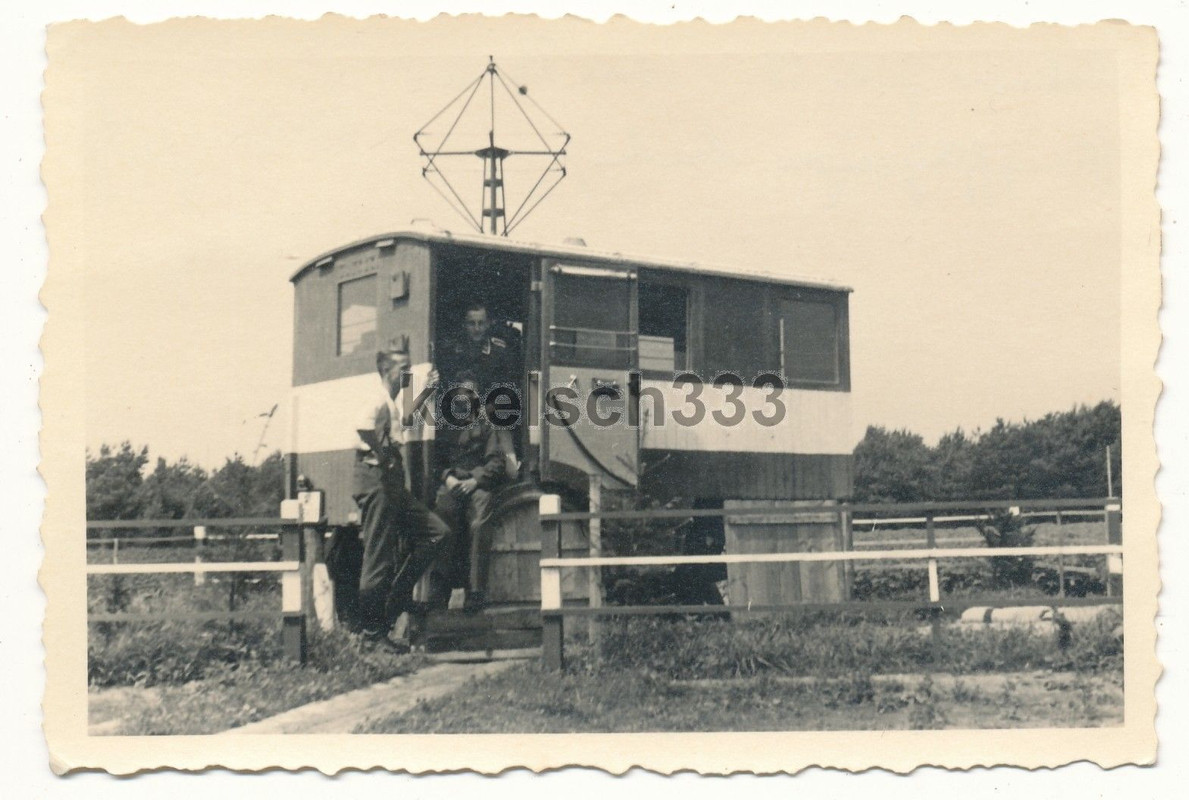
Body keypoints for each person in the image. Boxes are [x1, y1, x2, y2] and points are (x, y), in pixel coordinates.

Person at [352, 342, 453, 652]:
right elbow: (363, 427)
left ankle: (394, 601)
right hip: (378, 482)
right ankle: (371, 635)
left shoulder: (391, 400)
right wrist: (383, 455)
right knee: (377, 559)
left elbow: (406, 419)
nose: (408, 372)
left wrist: (425, 393)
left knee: (437, 534)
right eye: (403, 368)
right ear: (386, 370)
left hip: (393, 484)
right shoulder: (375, 398)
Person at [433, 371, 517, 611]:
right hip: (452, 485)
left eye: (473, 394)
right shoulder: (444, 425)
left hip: (476, 485)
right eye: (463, 393)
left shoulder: (487, 424)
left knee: (480, 522)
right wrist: (447, 478)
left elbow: (496, 462)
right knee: (442, 521)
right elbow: (436, 460)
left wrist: (475, 481)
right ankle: (440, 592)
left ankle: (475, 592)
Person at [440, 300, 521, 403]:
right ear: (464, 325)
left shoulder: (499, 352)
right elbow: (443, 386)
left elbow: (510, 390)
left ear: (488, 324)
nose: (477, 328)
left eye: (481, 323)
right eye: (471, 323)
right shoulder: (452, 351)